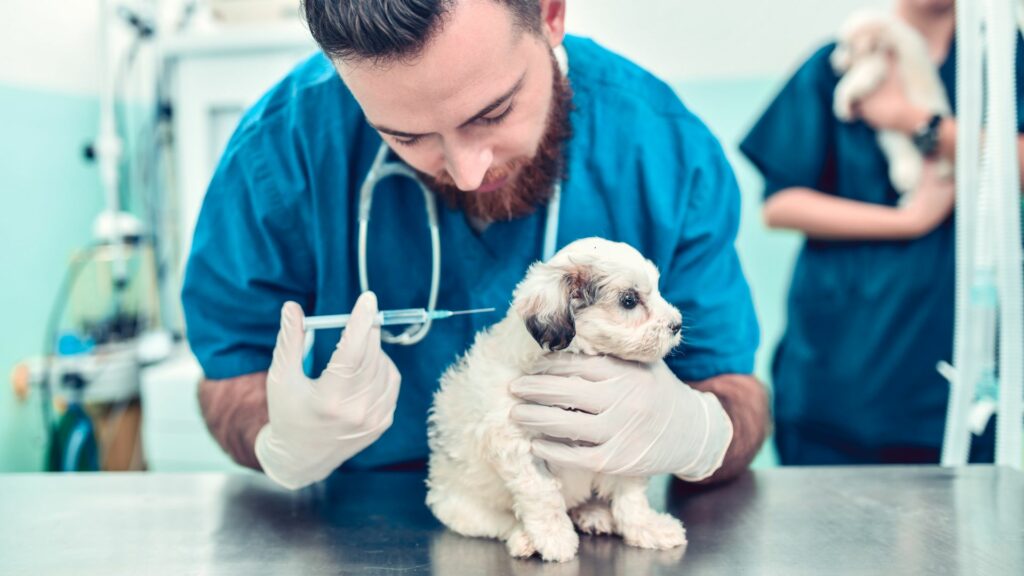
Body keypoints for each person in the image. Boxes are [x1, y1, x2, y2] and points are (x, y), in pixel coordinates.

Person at [183, 0, 767, 490]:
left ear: (550, 14)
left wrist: (697, 433)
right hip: (364, 526)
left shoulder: (663, 148)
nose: (467, 172)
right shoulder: (283, 148)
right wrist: (278, 437)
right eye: (407, 137)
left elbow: (735, 391)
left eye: (493, 113)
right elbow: (230, 375)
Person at [740, 0, 1024, 465]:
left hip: (953, 369)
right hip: (841, 369)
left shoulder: (1000, 62)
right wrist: (909, 221)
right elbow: (780, 204)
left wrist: (914, 120)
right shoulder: (838, 64)